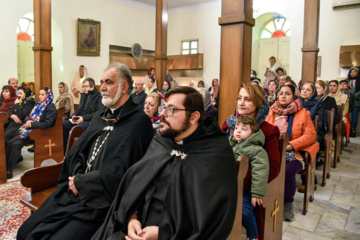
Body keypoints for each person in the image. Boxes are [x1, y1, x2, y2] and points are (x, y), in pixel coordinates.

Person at [18, 62, 154, 240]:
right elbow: (78, 152)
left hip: (102, 202)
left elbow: (130, 172)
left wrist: (85, 182)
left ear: (125, 87)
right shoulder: (100, 116)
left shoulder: (139, 123)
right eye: (102, 82)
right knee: (26, 232)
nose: (103, 87)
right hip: (75, 190)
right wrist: (76, 176)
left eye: (109, 82)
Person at [92, 86, 237, 240]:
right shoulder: (161, 142)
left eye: (171, 109)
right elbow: (136, 186)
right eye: (164, 107)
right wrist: (132, 217)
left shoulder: (215, 153)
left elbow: (211, 221)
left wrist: (163, 234)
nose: (162, 114)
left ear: (194, 117)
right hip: (137, 229)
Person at [222, 83, 280, 237]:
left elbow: (273, 167)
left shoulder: (268, 130)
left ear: (258, 103)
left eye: (247, 99)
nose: (241, 103)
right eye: (239, 98)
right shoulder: (229, 124)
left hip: (245, 189)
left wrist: (239, 178)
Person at [266, 85, 318, 221]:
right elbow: (264, 131)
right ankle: (265, 198)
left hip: (294, 154)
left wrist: (291, 145)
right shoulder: (271, 111)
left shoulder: (303, 113)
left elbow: (310, 136)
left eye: (287, 93)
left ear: (294, 97)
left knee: (286, 171)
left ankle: (287, 202)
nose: (283, 96)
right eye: (281, 93)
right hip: (273, 151)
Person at [230, 115, 269, 240]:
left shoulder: (256, 150)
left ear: (253, 134)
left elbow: (260, 171)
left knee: (245, 212)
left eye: (244, 129)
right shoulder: (232, 145)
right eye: (236, 128)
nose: (238, 131)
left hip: (244, 192)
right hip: (229, 189)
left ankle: (253, 235)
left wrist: (257, 192)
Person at [6, 87, 56, 179]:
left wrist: (32, 124)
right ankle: (6, 166)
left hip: (38, 132)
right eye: (39, 94)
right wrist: (28, 121)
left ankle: (9, 170)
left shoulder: (50, 106)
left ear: (48, 95)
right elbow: (27, 116)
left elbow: (48, 123)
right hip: (29, 130)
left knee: (15, 144)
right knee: (10, 142)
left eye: (42, 94)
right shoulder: (38, 105)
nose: (40, 96)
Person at [63, 77, 103, 152]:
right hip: (80, 118)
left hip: (88, 120)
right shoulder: (84, 95)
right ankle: (66, 151)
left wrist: (83, 118)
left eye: (86, 86)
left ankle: (76, 152)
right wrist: (74, 116)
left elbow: (98, 112)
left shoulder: (98, 96)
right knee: (65, 124)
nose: (84, 88)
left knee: (77, 129)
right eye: (83, 86)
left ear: (92, 87)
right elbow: (79, 109)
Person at [347, 67, 360, 136]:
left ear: (357, 73)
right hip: (348, 101)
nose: (352, 73)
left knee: (354, 117)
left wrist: (354, 96)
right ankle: (347, 131)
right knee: (347, 116)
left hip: (356, 102)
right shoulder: (347, 80)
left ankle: (353, 131)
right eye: (351, 72)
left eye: (354, 72)